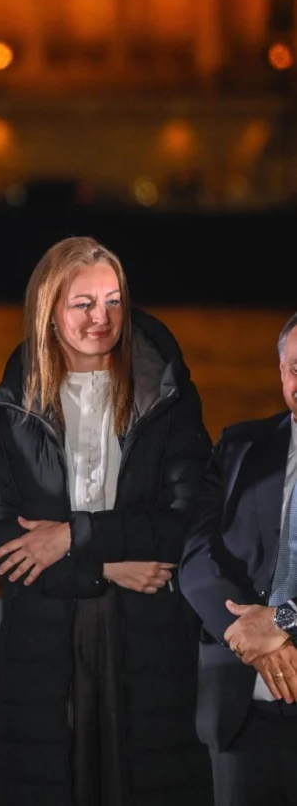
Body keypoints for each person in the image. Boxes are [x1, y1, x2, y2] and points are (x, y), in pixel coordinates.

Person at [0, 236, 214, 806]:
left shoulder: (167, 394)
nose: (100, 318)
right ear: (49, 310)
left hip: (149, 629)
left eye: (113, 301)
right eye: (83, 304)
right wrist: (103, 567)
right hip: (45, 631)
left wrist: (72, 537)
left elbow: (187, 518)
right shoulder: (15, 399)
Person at [180, 311, 297, 806]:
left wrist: (283, 622)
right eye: (296, 368)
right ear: (281, 371)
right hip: (242, 715)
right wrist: (250, 636)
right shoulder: (240, 447)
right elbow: (195, 557)